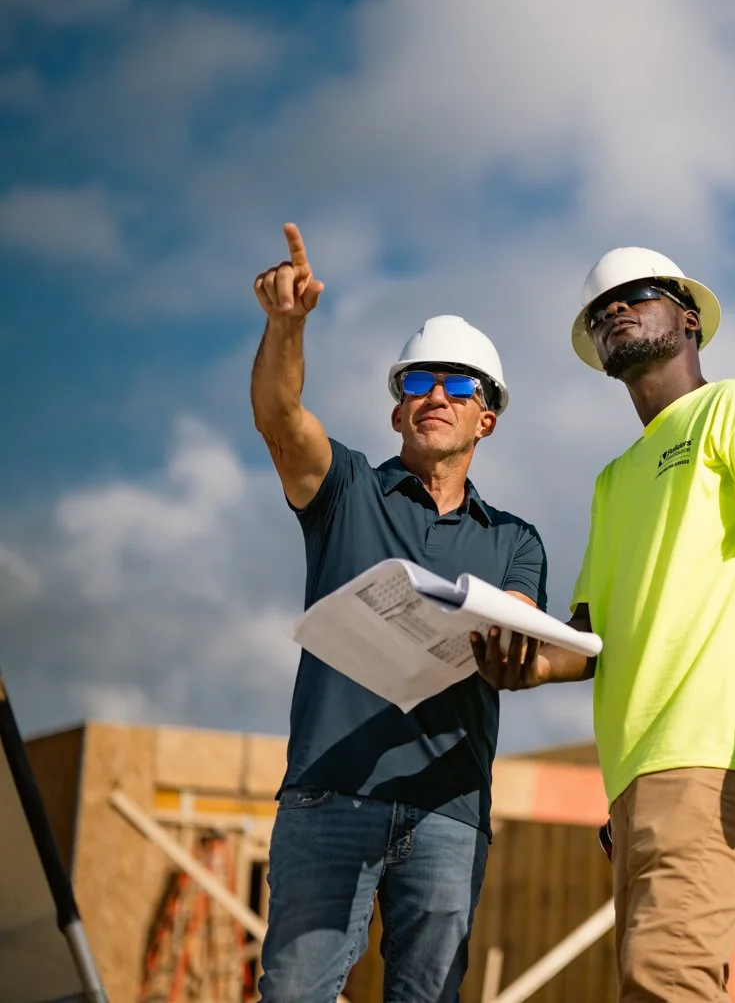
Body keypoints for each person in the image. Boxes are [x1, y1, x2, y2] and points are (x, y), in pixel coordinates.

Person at [481, 245, 735, 1000]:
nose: (613, 309)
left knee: (663, 980)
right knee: (653, 981)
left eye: (636, 294)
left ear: (689, 320)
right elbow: (587, 644)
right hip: (638, 783)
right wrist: (516, 657)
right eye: (599, 308)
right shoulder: (614, 479)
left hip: (719, 760)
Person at [250, 224, 571, 1003]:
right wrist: (286, 325)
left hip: (448, 809)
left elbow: (524, 638)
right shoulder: (347, 492)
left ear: (485, 418)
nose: (437, 396)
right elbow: (281, 416)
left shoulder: (515, 540)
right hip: (330, 794)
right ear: (397, 411)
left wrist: (519, 659)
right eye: (420, 381)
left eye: (460, 386)